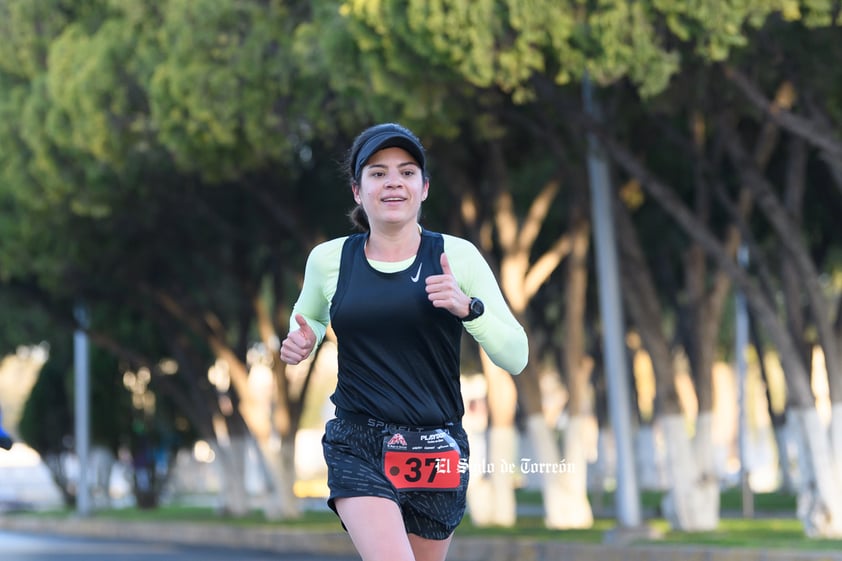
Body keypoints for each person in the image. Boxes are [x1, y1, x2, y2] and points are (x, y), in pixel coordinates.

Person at [280, 122, 528, 561]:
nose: (393, 182)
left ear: (424, 187)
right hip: (358, 442)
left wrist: (469, 309)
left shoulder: (457, 257)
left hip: (437, 444)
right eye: (378, 173)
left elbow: (516, 356)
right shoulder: (329, 259)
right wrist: (305, 340)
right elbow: (311, 319)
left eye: (407, 172)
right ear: (358, 191)